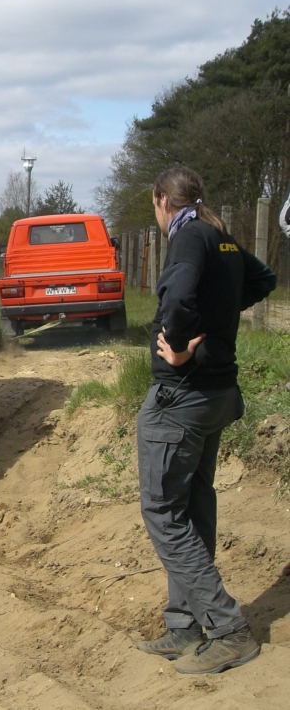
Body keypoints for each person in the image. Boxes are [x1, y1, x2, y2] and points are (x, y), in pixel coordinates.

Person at [135, 166, 275, 674]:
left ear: (161, 200)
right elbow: (263, 279)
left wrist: (179, 346)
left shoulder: (189, 236)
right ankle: (185, 624)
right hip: (215, 394)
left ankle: (228, 629)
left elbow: (176, 297)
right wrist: (216, 325)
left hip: (182, 397)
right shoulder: (220, 235)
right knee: (193, 504)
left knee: (163, 513)